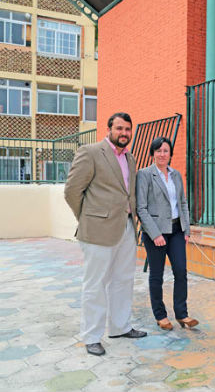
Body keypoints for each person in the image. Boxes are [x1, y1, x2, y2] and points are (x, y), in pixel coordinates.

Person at [64, 112, 147, 356]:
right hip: (98, 231)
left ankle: (120, 327)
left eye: (127, 129)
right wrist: (88, 218)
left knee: (123, 280)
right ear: (109, 129)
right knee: (95, 284)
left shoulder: (130, 158)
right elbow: (72, 191)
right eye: (119, 128)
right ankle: (91, 336)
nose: (124, 133)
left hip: (126, 228)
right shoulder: (90, 152)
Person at [136, 137, 198, 330]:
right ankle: (160, 315)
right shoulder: (145, 174)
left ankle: (182, 314)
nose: (162, 154)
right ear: (152, 153)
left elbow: (183, 203)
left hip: (176, 230)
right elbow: (141, 207)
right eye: (159, 151)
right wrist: (155, 234)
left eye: (166, 151)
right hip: (155, 233)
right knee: (157, 275)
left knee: (181, 271)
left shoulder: (176, 175)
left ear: (170, 154)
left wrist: (186, 228)